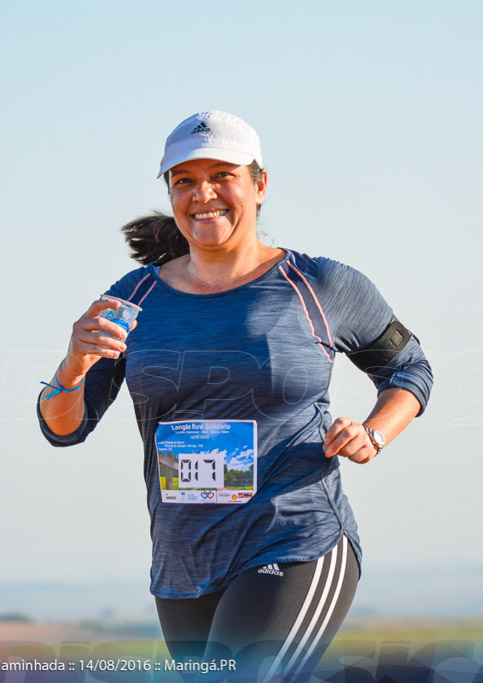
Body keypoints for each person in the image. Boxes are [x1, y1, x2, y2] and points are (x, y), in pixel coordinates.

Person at [37, 111, 433, 681]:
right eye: (184, 181)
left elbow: (410, 368)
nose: (204, 195)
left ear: (259, 184)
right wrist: (74, 362)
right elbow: (63, 427)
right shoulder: (132, 299)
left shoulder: (321, 285)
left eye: (222, 175)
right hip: (183, 561)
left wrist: (374, 434)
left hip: (292, 539)